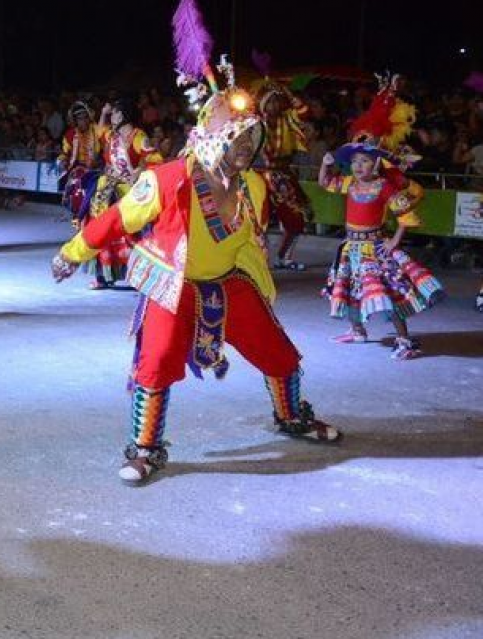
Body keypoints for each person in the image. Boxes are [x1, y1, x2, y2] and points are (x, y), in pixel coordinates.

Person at [52, 1, 340, 485]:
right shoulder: (166, 179)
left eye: (251, 139)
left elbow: (250, 238)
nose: (244, 146)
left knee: (279, 352)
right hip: (173, 285)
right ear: (208, 133)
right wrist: (72, 252)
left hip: (230, 284)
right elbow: (118, 218)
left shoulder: (255, 186)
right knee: (157, 361)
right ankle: (145, 448)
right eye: (236, 135)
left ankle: (291, 415)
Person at [319, 74, 444, 359]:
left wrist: (395, 243)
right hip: (350, 247)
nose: (358, 166)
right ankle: (358, 331)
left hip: (375, 249)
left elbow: (406, 216)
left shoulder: (384, 186)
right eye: (354, 162)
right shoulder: (350, 183)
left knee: (387, 296)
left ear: (376, 163)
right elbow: (327, 183)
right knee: (351, 290)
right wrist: (325, 166)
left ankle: (404, 341)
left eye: (364, 161)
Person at [76, 98, 161, 289]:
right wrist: (104, 113)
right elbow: (98, 132)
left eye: (114, 112)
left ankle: (134, 273)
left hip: (126, 190)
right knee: (98, 228)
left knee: (128, 233)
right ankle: (102, 275)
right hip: (105, 188)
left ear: (123, 115)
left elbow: (155, 157)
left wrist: (139, 169)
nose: (111, 116)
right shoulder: (111, 135)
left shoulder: (137, 137)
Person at [255, 76, 314, 270]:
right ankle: (257, 261)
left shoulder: (287, 119)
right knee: (255, 220)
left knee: (297, 217)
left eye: (276, 101)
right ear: (263, 105)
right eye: (269, 101)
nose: (274, 105)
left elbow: (304, 112)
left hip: (283, 175)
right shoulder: (254, 123)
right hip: (259, 176)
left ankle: (284, 257)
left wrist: (287, 92)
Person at [55, 101, 101, 221]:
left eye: (85, 118)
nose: (83, 121)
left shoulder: (97, 130)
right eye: (80, 119)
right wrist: (62, 160)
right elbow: (64, 153)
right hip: (77, 166)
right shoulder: (70, 135)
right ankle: (76, 212)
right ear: (75, 121)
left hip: (97, 166)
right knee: (74, 183)